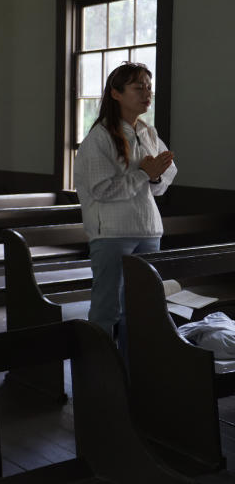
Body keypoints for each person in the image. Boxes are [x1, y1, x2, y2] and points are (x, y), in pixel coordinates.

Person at [73, 61, 176, 341]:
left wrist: (154, 177)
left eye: (149, 88)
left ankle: (135, 371)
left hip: (148, 230)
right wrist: (144, 173)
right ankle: (100, 373)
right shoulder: (100, 137)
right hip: (113, 234)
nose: (147, 93)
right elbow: (101, 190)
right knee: (107, 308)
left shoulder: (148, 132)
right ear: (116, 94)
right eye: (138, 87)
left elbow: (160, 185)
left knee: (140, 308)